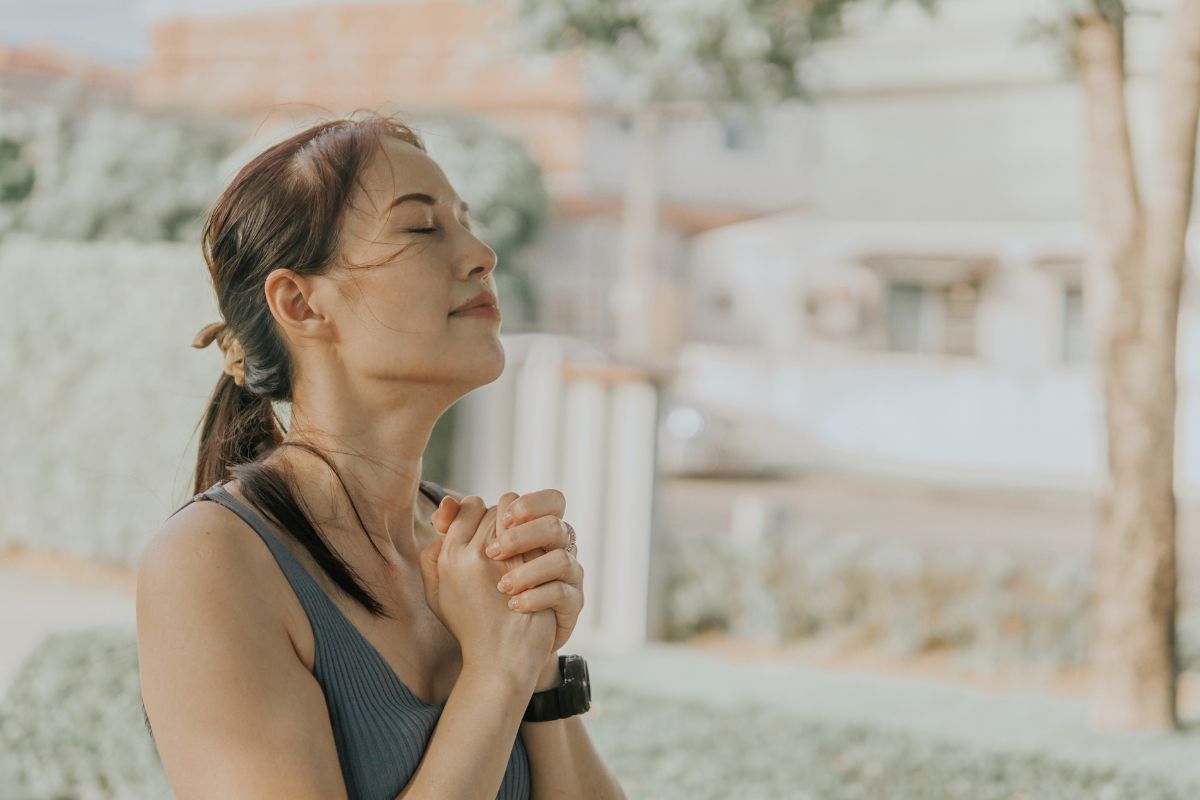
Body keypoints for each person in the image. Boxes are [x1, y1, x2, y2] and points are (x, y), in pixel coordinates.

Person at [135, 113, 625, 799]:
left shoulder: (470, 555)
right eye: (422, 228)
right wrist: (493, 675)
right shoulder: (211, 562)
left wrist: (533, 654)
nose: (482, 253)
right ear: (301, 304)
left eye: (466, 221)